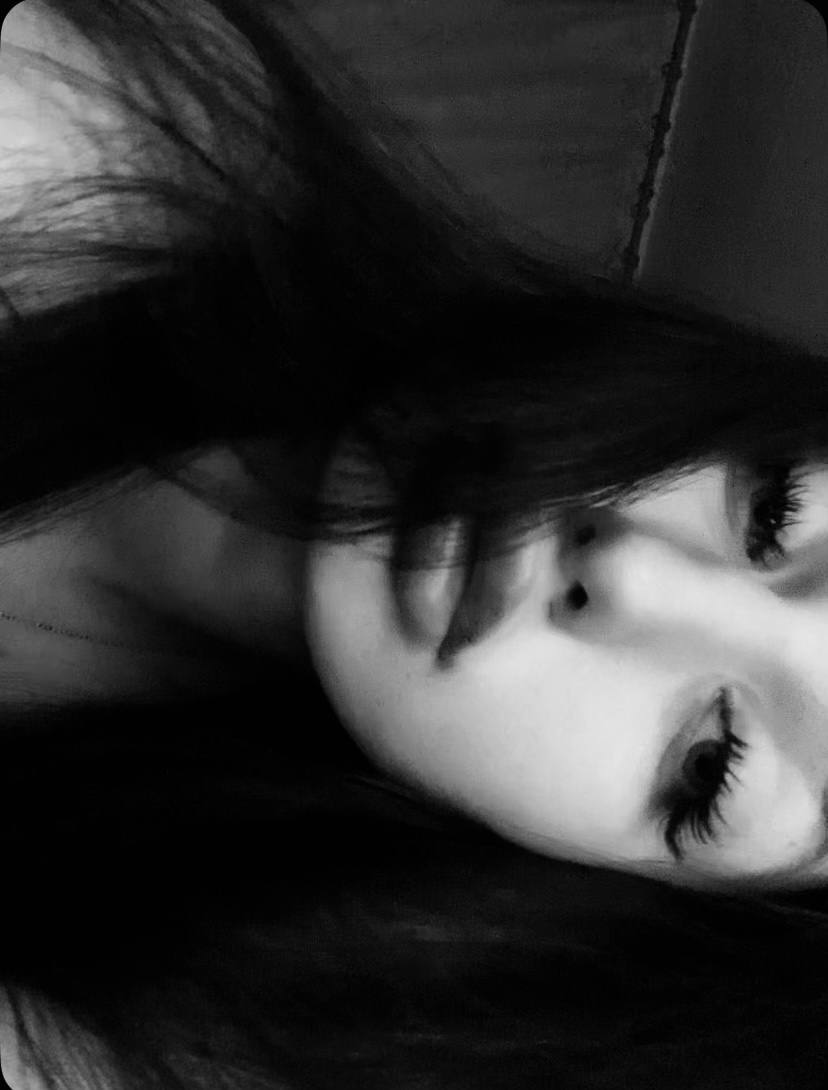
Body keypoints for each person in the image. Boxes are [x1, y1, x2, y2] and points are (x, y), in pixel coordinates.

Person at [0, 0, 827, 1087]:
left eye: (713, 769)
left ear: (620, 901)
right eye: (775, 511)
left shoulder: (108, 1034)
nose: (632, 568)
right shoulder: (89, 132)